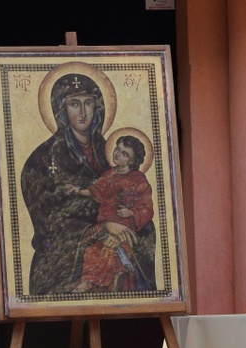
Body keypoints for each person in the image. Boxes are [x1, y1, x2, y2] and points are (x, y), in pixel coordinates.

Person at [21, 69, 132, 295]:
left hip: (114, 240)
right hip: (64, 256)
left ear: (97, 107)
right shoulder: (42, 158)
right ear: (61, 110)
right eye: (74, 104)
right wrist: (100, 229)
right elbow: (46, 221)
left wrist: (124, 222)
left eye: (88, 103)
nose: (83, 113)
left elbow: (133, 195)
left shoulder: (112, 153)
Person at [64, 134, 156, 292]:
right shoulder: (109, 175)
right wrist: (78, 191)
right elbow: (96, 190)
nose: (118, 154)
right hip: (106, 224)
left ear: (133, 161)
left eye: (124, 154)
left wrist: (131, 212)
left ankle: (100, 280)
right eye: (117, 149)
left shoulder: (139, 180)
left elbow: (147, 208)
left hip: (125, 228)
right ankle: (88, 280)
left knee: (110, 252)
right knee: (92, 251)